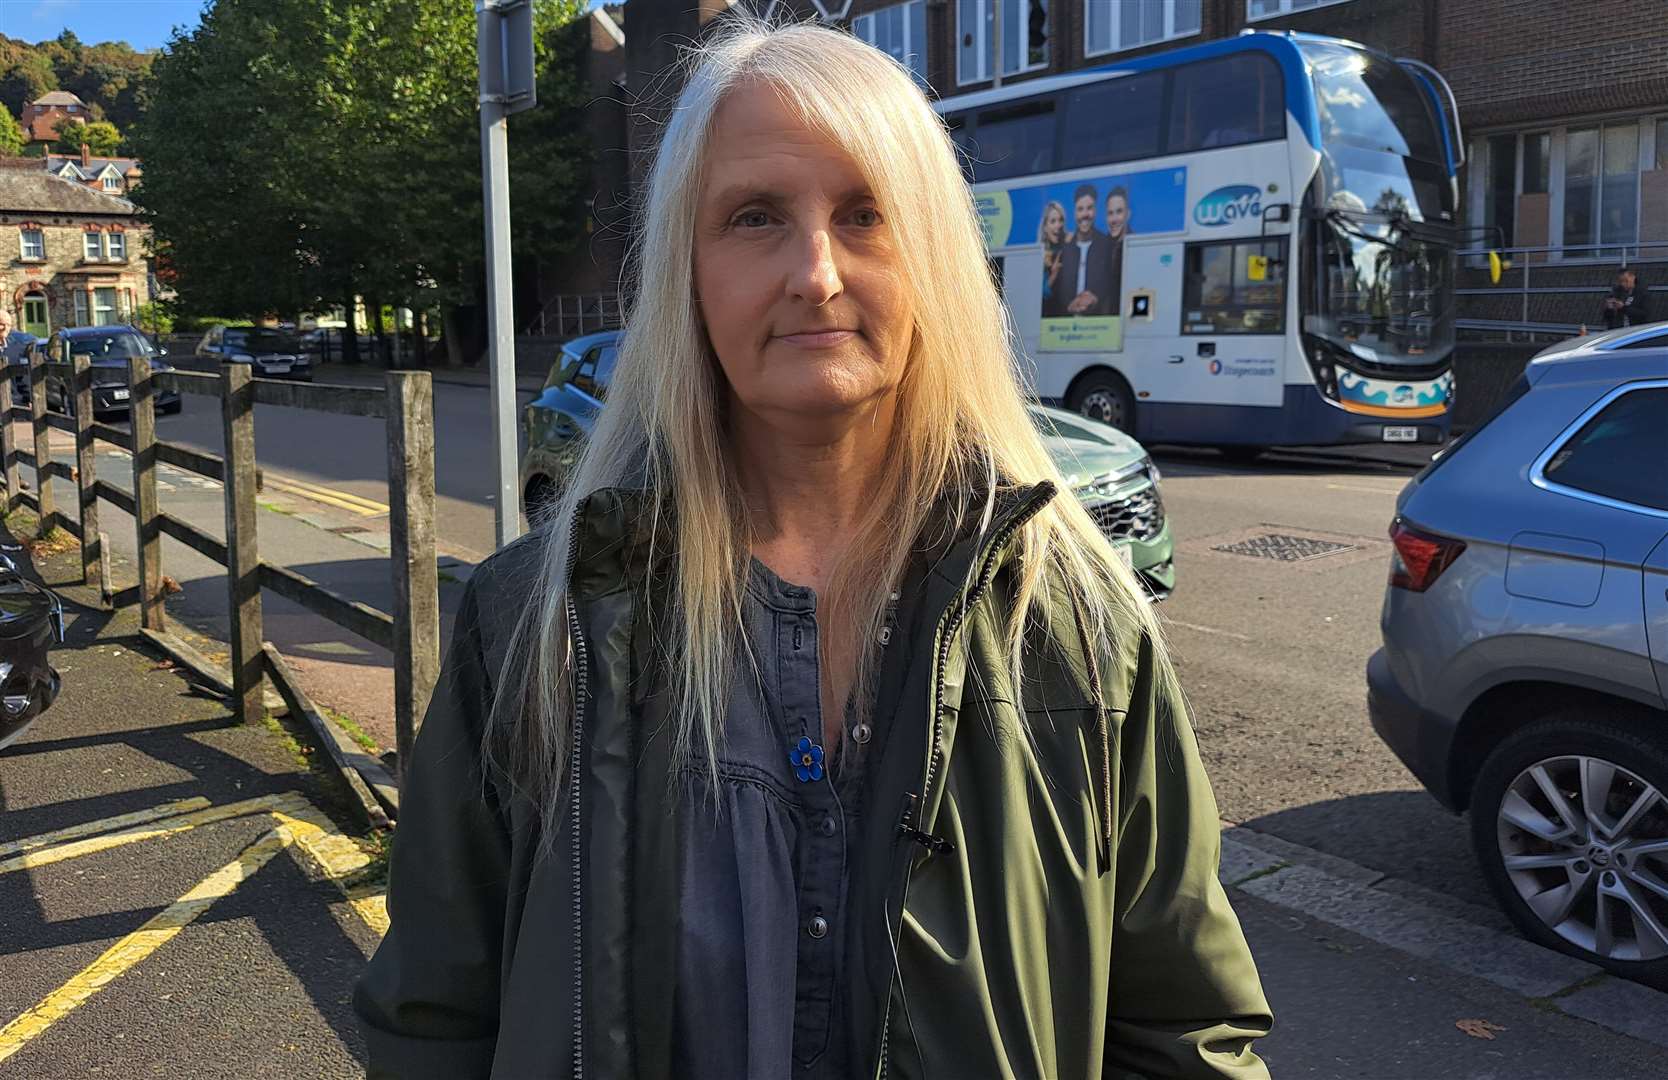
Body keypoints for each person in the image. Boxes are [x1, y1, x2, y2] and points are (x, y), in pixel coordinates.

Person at [355, 20, 1270, 1080]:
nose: (816, 273)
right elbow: (433, 1019)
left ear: (933, 260)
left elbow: (1183, 1035)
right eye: (754, 217)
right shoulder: (535, 621)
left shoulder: (1080, 625)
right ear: (685, 273)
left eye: (866, 214)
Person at [1054, 184, 1117, 316]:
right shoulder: (1065, 248)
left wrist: (1096, 298)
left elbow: (1112, 285)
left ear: (1095, 211)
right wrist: (1069, 305)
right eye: (1080, 209)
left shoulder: (1106, 245)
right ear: (1075, 212)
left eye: (1089, 208)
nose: (1085, 214)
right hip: (1063, 329)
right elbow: (1056, 291)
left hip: (1098, 326)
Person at [1101, 185, 1131, 318]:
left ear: (1128, 214)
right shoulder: (1099, 247)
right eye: (1110, 213)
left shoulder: (1136, 248)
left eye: (1119, 212)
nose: (1114, 220)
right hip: (1101, 325)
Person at [1037, 199, 1067, 314]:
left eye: (1060, 220)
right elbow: (1041, 294)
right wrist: (1053, 275)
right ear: (1045, 226)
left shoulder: (1067, 249)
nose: (1058, 225)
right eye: (1053, 221)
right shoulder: (1041, 255)